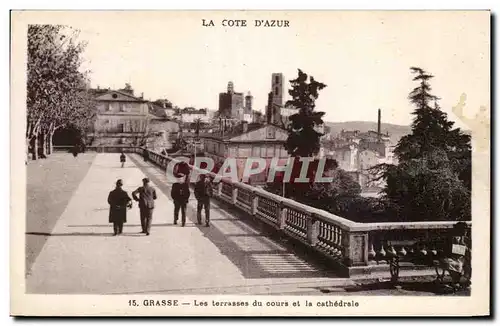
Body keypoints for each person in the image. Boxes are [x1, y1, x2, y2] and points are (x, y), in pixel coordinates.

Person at [438, 222, 471, 290]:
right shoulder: (450, 238)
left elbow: (469, 250)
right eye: (463, 230)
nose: (465, 231)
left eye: (466, 230)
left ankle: (467, 281)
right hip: (450, 257)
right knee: (454, 264)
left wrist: (466, 249)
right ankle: (456, 281)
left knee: (470, 263)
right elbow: (449, 249)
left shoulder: (466, 239)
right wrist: (463, 249)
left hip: (462, 257)